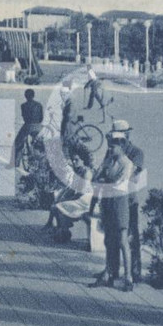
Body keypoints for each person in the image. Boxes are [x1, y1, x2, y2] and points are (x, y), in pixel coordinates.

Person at [87, 128, 135, 291]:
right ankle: (109, 273)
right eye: (109, 146)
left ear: (121, 146)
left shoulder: (127, 163)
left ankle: (128, 277)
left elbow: (119, 183)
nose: (110, 149)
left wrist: (103, 179)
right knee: (108, 240)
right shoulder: (109, 160)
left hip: (119, 202)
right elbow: (96, 178)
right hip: (107, 201)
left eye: (113, 146)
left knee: (122, 240)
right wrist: (102, 177)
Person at [43, 143, 94, 239]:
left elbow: (82, 192)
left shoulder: (87, 173)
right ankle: (62, 230)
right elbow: (72, 188)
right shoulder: (78, 171)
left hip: (86, 201)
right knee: (57, 205)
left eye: (77, 160)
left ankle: (63, 231)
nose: (74, 162)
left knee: (60, 207)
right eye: (73, 159)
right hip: (79, 199)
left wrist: (68, 199)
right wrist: (63, 197)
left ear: (83, 160)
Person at [117, 120, 146, 283]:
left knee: (132, 236)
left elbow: (132, 175)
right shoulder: (112, 150)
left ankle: (135, 271)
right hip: (114, 198)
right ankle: (112, 269)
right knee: (113, 236)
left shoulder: (136, 152)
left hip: (129, 199)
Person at [13, 88, 44, 167]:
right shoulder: (39, 105)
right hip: (38, 126)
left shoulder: (23, 105)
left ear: (25, 96)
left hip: (28, 126)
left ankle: (16, 162)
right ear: (34, 95)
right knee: (40, 142)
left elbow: (24, 118)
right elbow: (41, 118)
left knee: (18, 142)